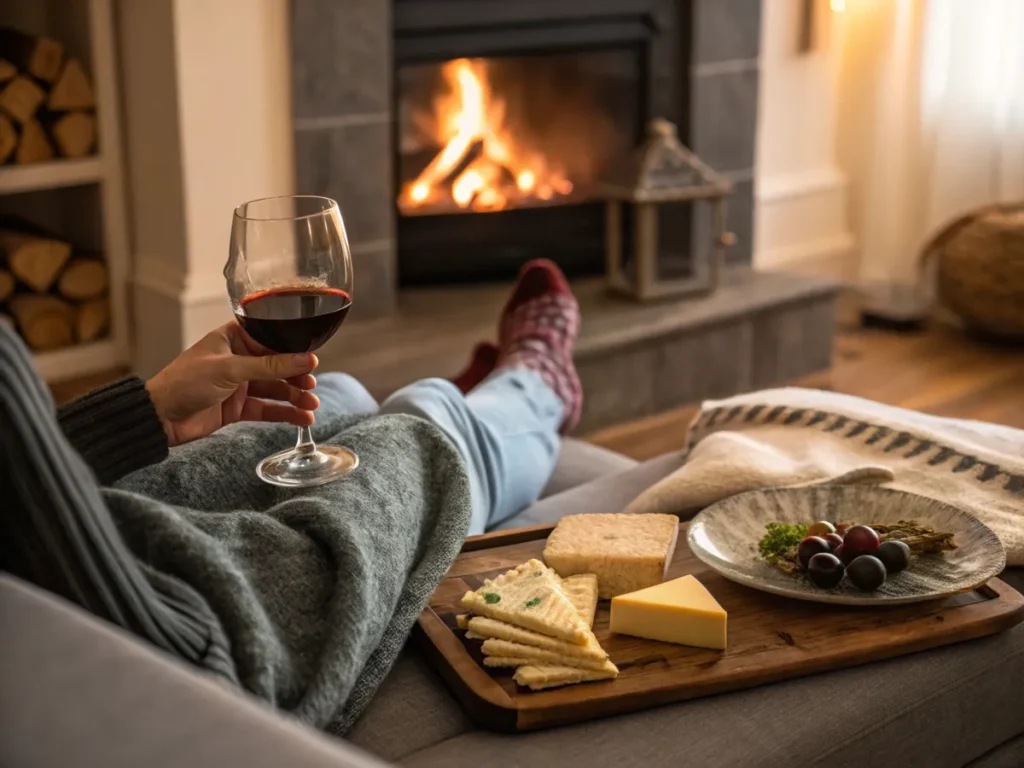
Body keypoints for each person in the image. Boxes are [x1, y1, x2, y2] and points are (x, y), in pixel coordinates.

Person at [0, 259, 582, 733]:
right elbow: (159, 654)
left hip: (105, 515)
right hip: (208, 617)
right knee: (422, 427)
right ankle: (536, 380)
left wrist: (145, 415)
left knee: (335, 393)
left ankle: (471, 401)